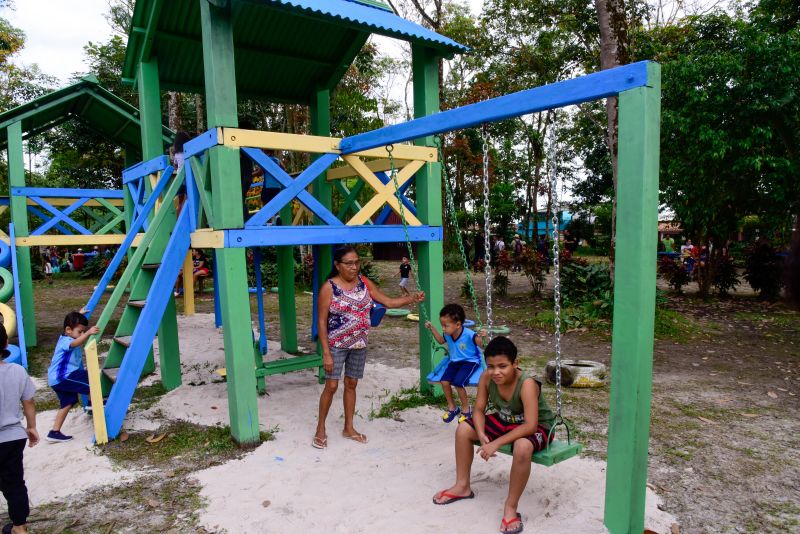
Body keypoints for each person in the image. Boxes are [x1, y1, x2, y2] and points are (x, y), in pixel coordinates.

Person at [432, 336, 555, 534]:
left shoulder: (527, 384)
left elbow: (530, 426)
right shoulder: (486, 378)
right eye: (491, 366)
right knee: (464, 429)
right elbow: (479, 410)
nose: (496, 372)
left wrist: (495, 443)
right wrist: (481, 434)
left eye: (503, 366)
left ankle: (511, 507)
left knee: (523, 446)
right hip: (505, 420)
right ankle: (462, 486)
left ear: (516, 364)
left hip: (538, 426)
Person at [313, 245, 424, 449]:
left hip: (359, 343)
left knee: (351, 384)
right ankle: (320, 428)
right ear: (338, 265)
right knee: (331, 385)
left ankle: (349, 427)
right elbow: (321, 322)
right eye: (349, 263)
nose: (354, 267)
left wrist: (411, 298)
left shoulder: (364, 282)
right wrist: (326, 353)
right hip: (336, 345)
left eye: (357, 262)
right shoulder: (329, 287)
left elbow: (388, 302)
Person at [0, 324, 39, 534]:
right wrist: (31, 427)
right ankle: (19, 527)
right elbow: (29, 401)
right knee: (14, 483)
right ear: (6, 344)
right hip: (13, 437)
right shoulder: (17, 370)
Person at [424, 304, 486, 422]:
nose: (443, 328)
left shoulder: (469, 334)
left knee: (458, 383)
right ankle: (453, 408)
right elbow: (441, 341)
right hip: (454, 362)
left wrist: (483, 337)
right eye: (442, 325)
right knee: (444, 381)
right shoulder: (448, 334)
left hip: (470, 362)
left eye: (445, 325)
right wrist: (432, 328)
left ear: (457, 325)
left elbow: (482, 344)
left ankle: (466, 410)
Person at [46, 311, 99, 443]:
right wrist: (88, 333)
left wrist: (79, 313)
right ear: (68, 330)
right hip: (63, 377)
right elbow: (76, 343)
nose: (81, 334)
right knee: (91, 378)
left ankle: (54, 432)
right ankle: (93, 404)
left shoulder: (66, 335)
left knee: (68, 402)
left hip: (55, 379)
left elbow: (72, 327)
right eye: (80, 331)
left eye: (83, 331)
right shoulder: (67, 341)